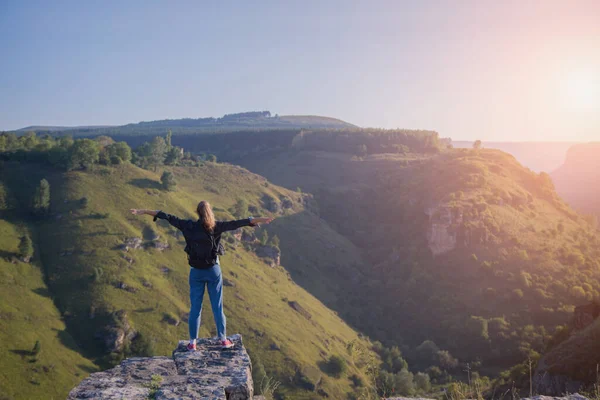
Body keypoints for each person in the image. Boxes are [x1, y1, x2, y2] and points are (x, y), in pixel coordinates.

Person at [130, 201, 273, 350]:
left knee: (195, 308)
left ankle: (192, 343)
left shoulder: (187, 225)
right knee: (217, 307)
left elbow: (166, 216)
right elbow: (239, 223)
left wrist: (144, 211)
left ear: (197, 212)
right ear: (210, 212)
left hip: (196, 272)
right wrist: (260, 220)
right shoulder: (216, 226)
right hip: (213, 271)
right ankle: (223, 340)